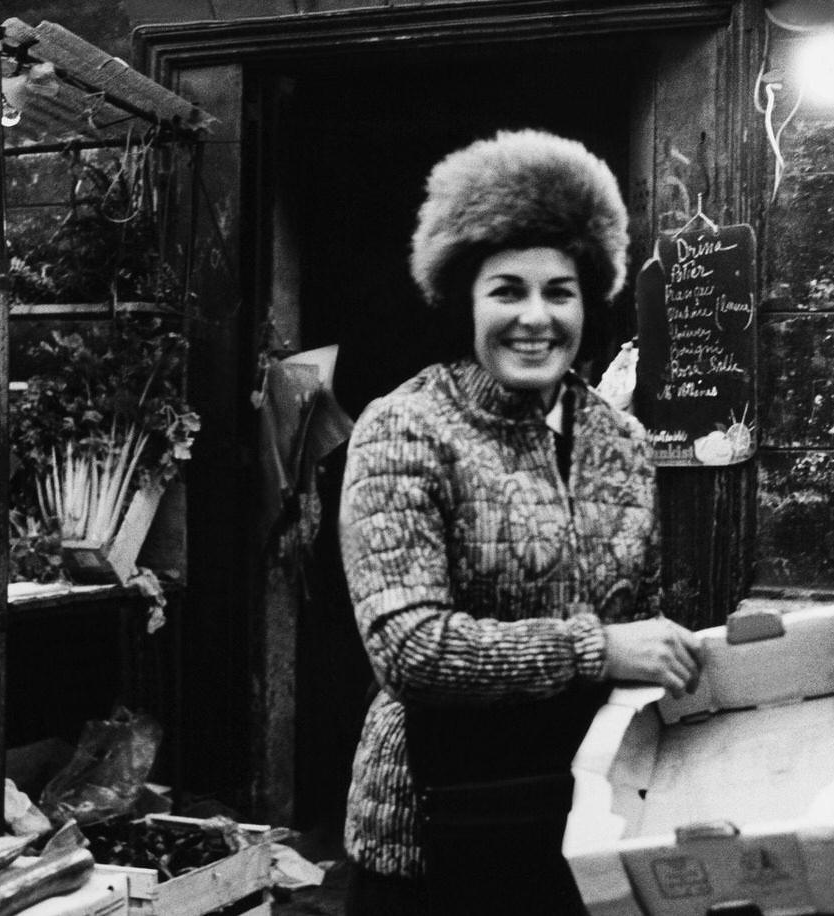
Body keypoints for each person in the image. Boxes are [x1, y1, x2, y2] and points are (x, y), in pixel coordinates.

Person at [338, 128, 703, 915]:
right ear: (464, 298)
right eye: (508, 290)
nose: (535, 318)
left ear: (588, 299)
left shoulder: (624, 443)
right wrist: (595, 648)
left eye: (558, 291)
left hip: (582, 822)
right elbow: (409, 649)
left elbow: (637, 631)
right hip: (432, 839)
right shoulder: (406, 428)